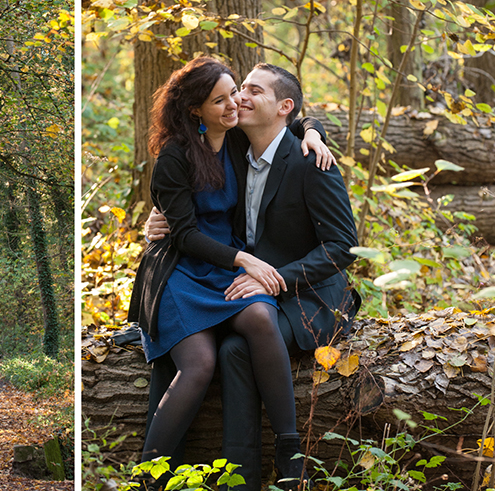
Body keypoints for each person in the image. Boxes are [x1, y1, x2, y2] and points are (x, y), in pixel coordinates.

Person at [145, 62, 359, 490]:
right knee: (226, 352)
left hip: (307, 291)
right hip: (223, 275)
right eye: (235, 90)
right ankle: (232, 477)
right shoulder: (234, 143)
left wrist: (312, 131)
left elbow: (343, 247)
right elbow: (188, 206)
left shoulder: (309, 158)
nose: (239, 99)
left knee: (238, 348)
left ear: (283, 108)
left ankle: (284, 456)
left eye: (250, 91)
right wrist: (158, 219)